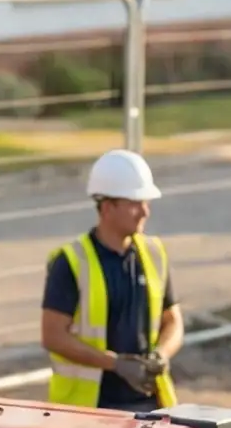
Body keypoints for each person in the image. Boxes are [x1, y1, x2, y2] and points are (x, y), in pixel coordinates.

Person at [41, 149, 183, 410]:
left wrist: (161, 355)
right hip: (90, 411)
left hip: (151, 405)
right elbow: (52, 336)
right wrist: (115, 364)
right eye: (135, 203)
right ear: (107, 207)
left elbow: (173, 321)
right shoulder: (71, 262)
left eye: (146, 202)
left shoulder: (154, 253)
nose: (144, 212)